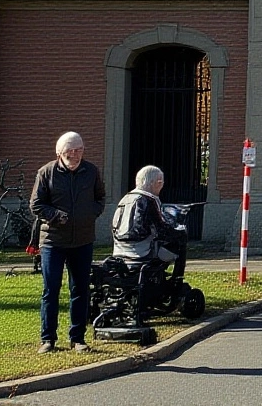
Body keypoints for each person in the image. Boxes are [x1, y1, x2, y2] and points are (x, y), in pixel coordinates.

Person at [30, 131, 106, 354]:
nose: (75, 154)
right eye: (70, 151)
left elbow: (100, 198)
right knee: (51, 289)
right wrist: (55, 215)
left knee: (80, 289)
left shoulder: (91, 171)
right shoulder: (46, 173)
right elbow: (36, 204)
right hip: (53, 241)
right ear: (59, 153)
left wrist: (90, 213)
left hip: (83, 240)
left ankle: (78, 338)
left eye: (79, 150)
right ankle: (48, 339)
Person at [112, 165, 187, 317]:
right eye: (161, 183)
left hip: (120, 252)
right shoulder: (149, 200)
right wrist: (180, 232)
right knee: (178, 248)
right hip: (143, 252)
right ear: (157, 183)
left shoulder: (125, 198)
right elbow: (161, 229)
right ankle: (174, 283)